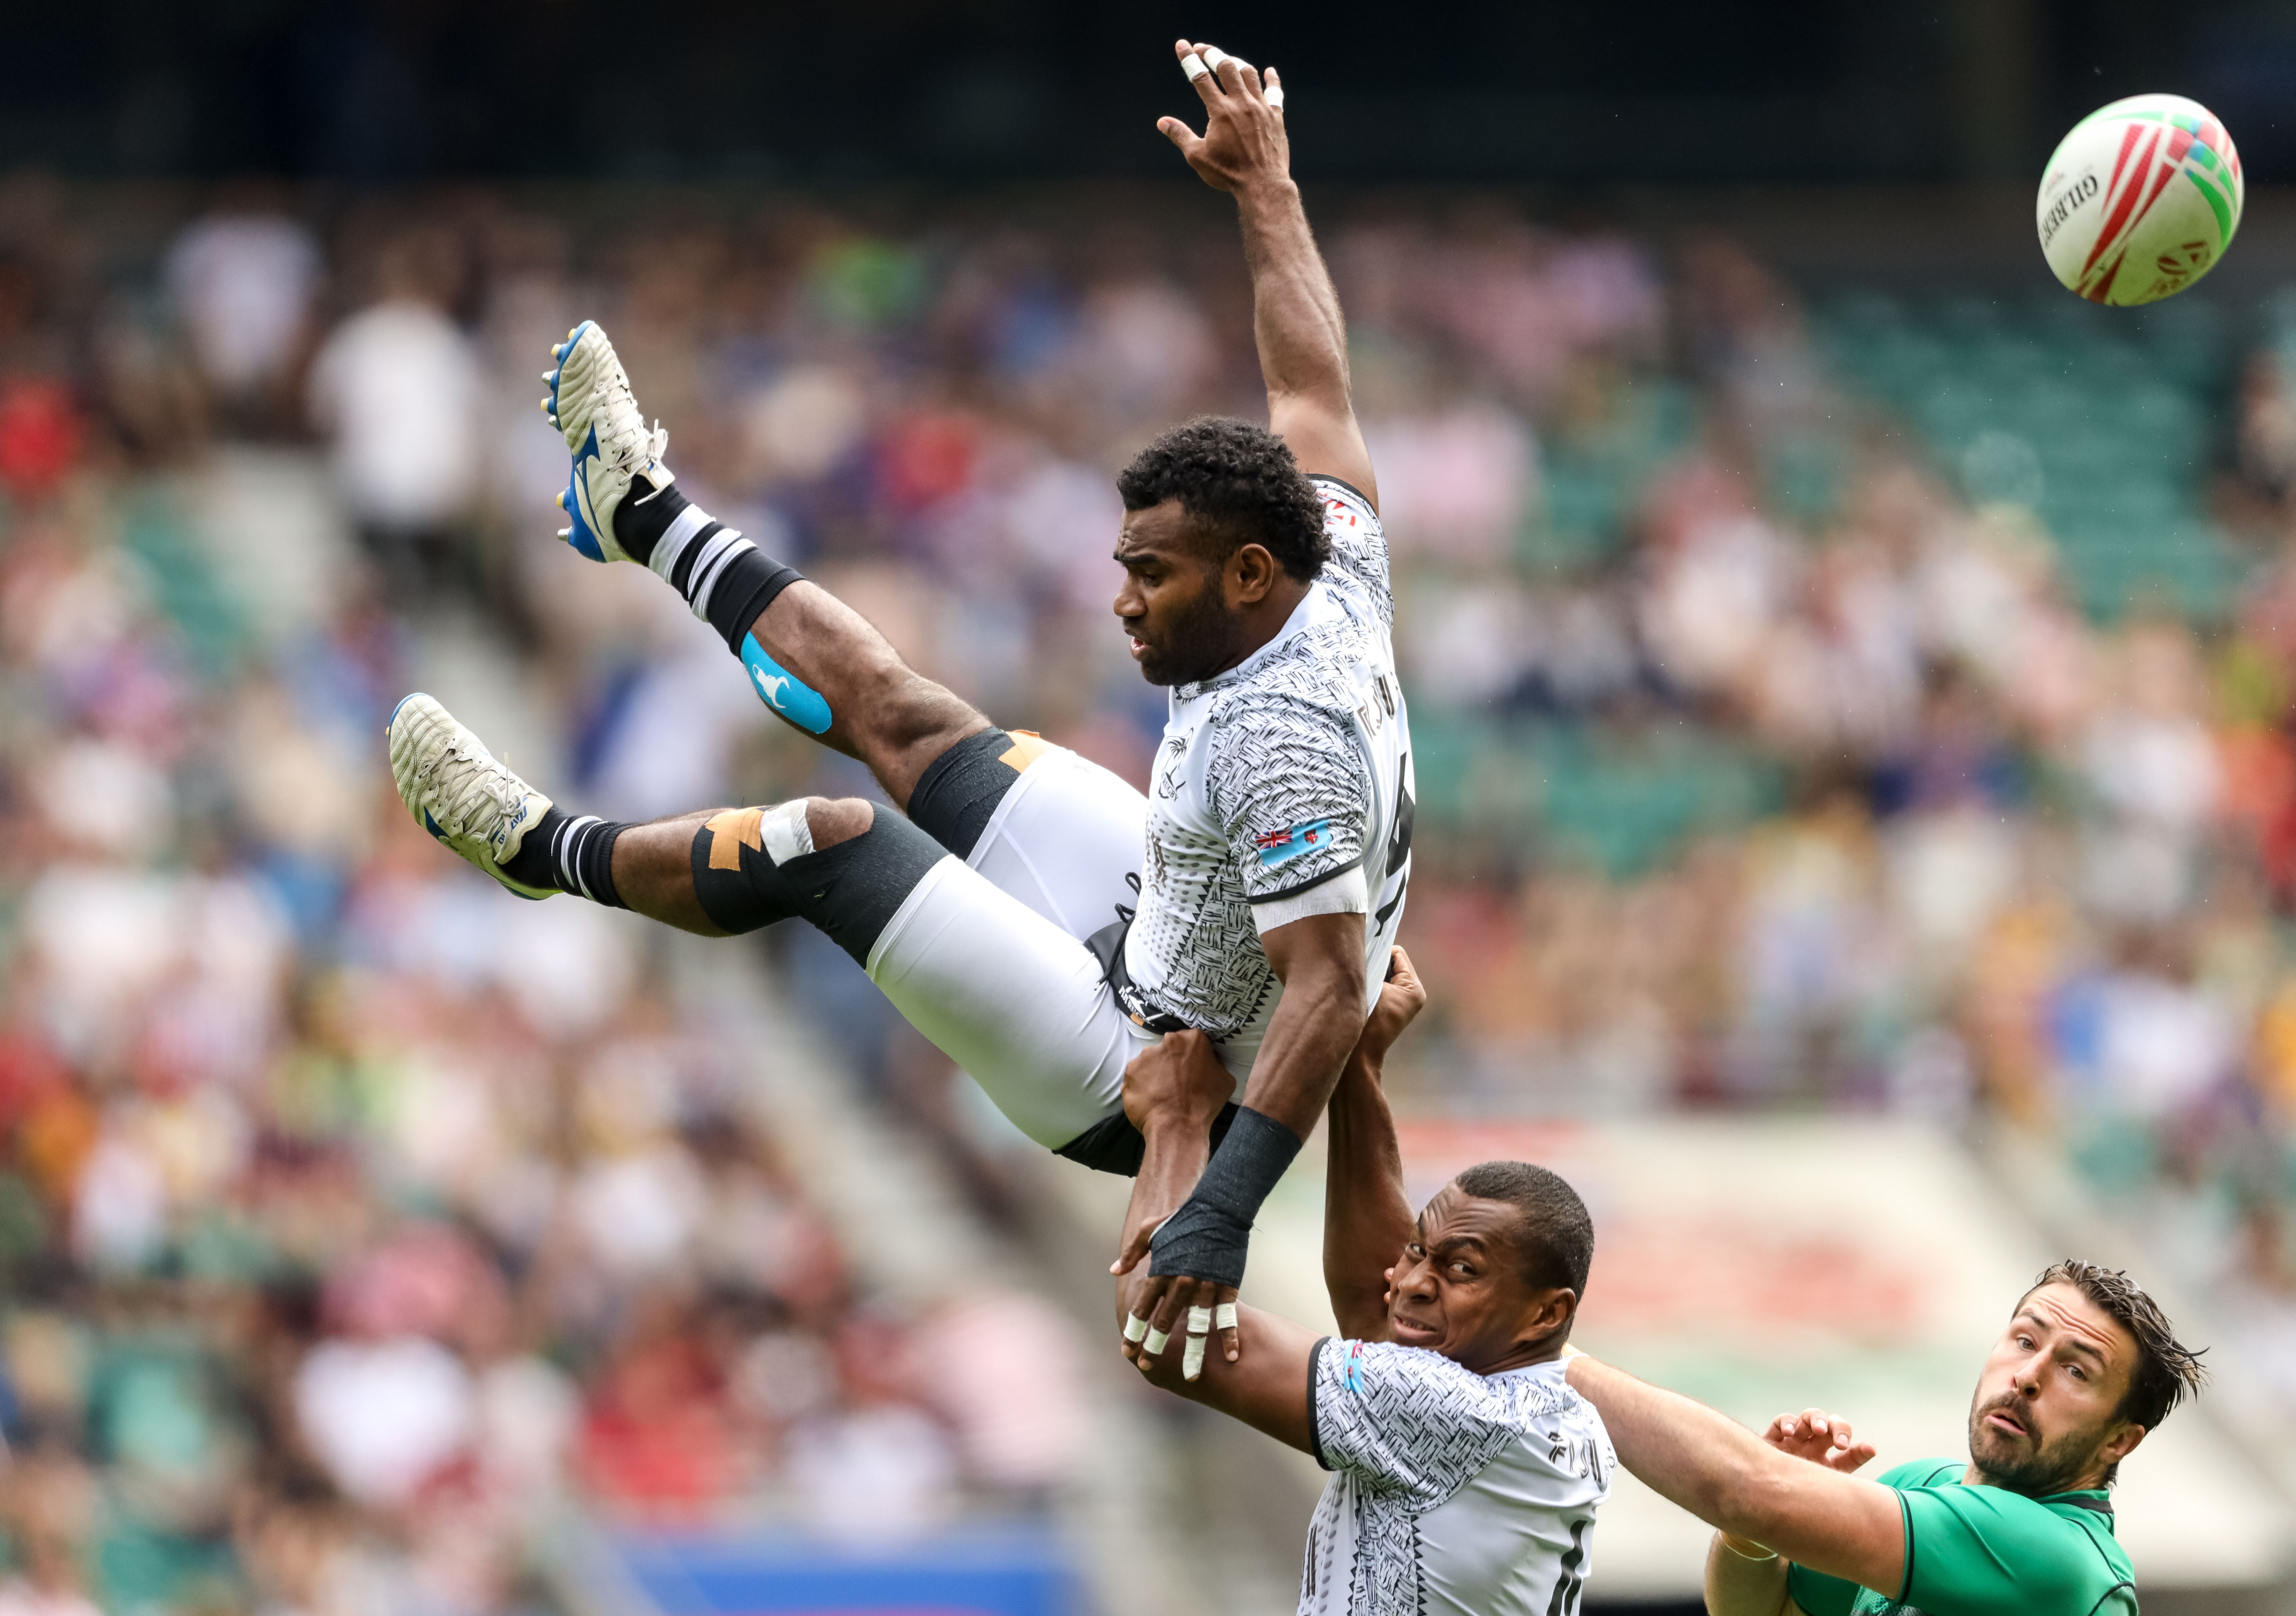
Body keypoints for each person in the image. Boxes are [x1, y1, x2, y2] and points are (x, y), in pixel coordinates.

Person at [383, 37, 1413, 1364]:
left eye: (1152, 578)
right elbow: (1310, 387)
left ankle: (541, 855)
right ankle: (637, 505)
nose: (1122, 603)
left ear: (1250, 574)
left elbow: (1327, 994)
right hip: (1168, 913)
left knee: (833, 841)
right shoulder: (1328, 556)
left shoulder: (1281, 737)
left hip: (1147, 1066)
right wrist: (1263, 187)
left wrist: (1216, 1208)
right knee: (909, 717)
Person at [1122, 946, 1614, 1615]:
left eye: (1460, 1270)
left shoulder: (1450, 1409)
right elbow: (1370, 1304)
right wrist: (1358, 1059)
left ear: (1544, 1316)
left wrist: (1175, 1123)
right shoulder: (1560, 1413)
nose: (1409, 1282)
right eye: (1418, 1250)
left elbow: (1168, 1333)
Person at [1562, 1264, 2207, 1616]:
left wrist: (1548, 1361)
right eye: (2024, 1339)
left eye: (2075, 1370)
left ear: (2119, 1441)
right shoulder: (1926, 1485)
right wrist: (1754, 1538)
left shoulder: (2059, 1561)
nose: (2029, 1375)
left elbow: (1743, 1488)